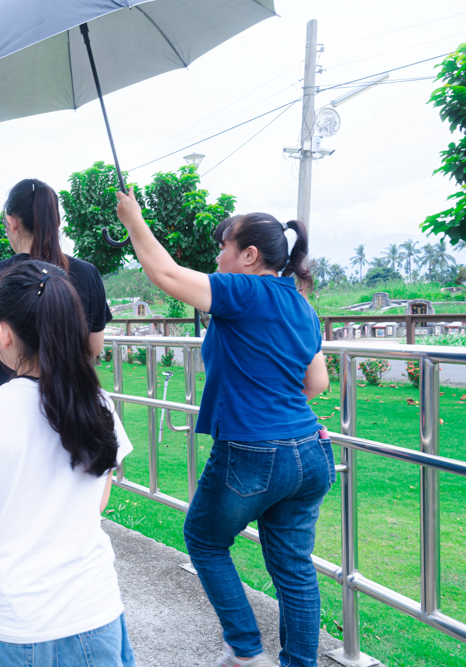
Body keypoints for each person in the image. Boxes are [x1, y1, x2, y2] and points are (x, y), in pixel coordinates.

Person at [115, 194, 332, 667]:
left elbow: (167, 275)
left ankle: (247, 652)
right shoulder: (301, 306)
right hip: (309, 452)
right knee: (294, 569)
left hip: (253, 450)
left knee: (205, 540)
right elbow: (318, 382)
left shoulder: (246, 291)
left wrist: (134, 221)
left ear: (250, 255)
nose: (217, 258)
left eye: (223, 248)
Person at [0, 260, 134, 667]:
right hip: (94, 609)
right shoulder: (99, 403)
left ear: (4, 335)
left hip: (16, 619)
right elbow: (97, 501)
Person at [0, 178, 111, 387]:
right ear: (56, 221)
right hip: (73, 404)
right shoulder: (87, 273)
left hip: (14, 406)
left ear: (12, 222)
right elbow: (94, 348)